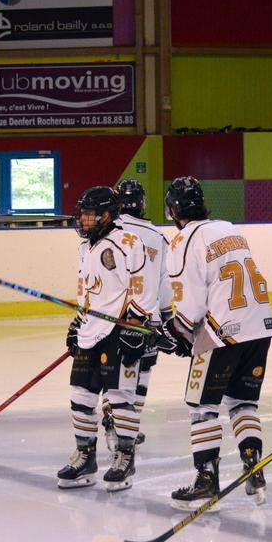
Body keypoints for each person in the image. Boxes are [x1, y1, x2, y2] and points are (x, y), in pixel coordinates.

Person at [164, 176, 272, 509]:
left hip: (220, 332)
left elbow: (191, 299)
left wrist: (178, 332)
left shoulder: (183, 240)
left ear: (173, 210)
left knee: (202, 406)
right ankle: (253, 466)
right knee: (243, 403)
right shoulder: (229, 229)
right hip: (259, 327)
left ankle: (206, 479)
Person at [57, 186, 149, 492]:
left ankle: (125, 457)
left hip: (119, 330)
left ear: (107, 215)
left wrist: (137, 324)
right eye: (82, 214)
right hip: (90, 330)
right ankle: (86, 456)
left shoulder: (126, 242)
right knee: (80, 394)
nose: (82, 220)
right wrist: (78, 321)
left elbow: (142, 284)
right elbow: (88, 289)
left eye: (89, 214)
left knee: (120, 396)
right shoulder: (85, 247)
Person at [98, 178, 173, 451]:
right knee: (142, 372)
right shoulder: (158, 237)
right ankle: (129, 426)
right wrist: (166, 317)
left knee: (112, 372)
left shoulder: (108, 230)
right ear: (142, 202)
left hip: (110, 318)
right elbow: (165, 284)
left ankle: (111, 416)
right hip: (146, 319)